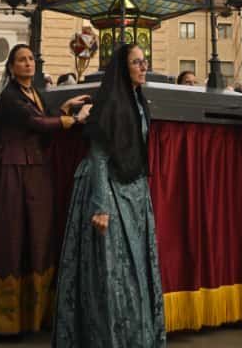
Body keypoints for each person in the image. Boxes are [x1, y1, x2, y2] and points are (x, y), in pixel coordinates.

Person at [0, 44, 91, 336]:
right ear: (11, 67)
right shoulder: (11, 96)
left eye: (30, 59)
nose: (27, 64)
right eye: (21, 60)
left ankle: (31, 313)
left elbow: (42, 116)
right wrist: (74, 119)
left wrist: (66, 106)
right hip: (8, 171)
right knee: (9, 235)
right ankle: (2, 317)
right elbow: (36, 122)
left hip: (33, 170)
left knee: (34, 236)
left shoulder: (32, 92)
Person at [52, 42, 166, 348]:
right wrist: (101, 206)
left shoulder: (139, 101)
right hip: (109, 192)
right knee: (111, 273)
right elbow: (99, 156)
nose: (143, 67)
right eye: (137, 62)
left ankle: (135, 337)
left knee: (133, 270)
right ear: (122, 67)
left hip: (134, 193)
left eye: (145, 61)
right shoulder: (110, 103)